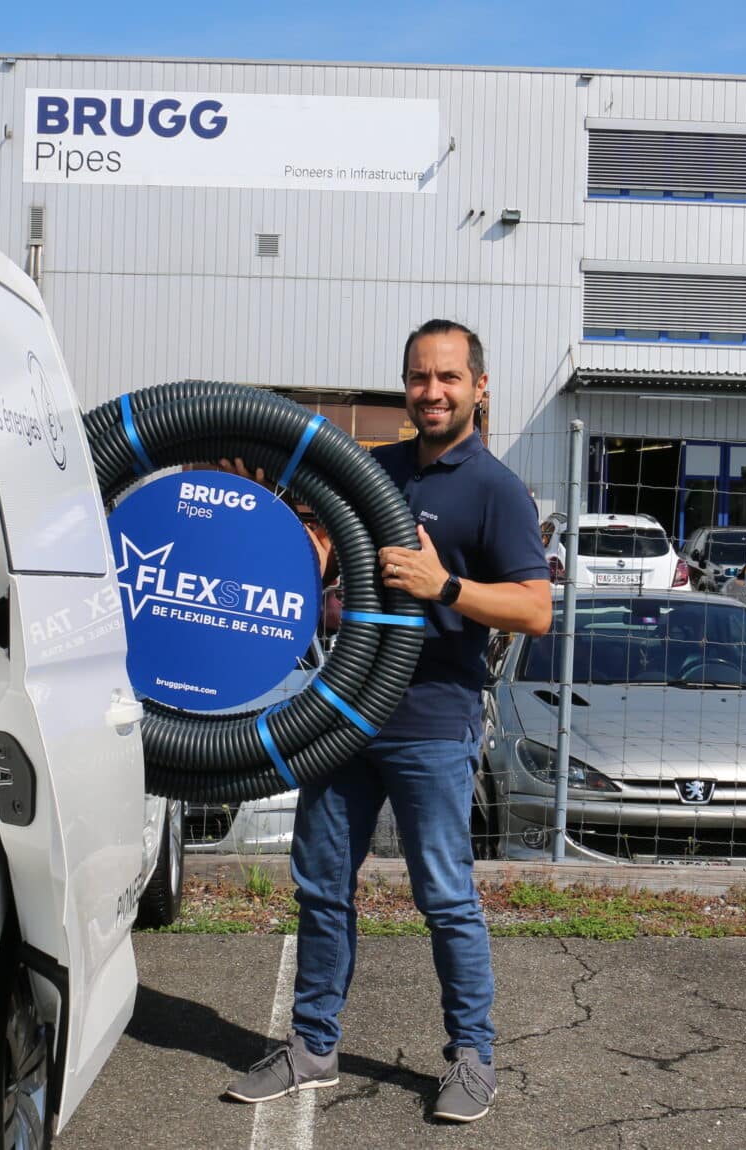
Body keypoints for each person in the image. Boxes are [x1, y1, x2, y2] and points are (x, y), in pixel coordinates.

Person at [223, 320, 552, 1123]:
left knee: (444, 896)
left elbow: (535, 609)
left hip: (433, 723)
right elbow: (328, 555)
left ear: (479, 386)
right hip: (345, 713)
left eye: (446, 378)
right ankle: (311, 1047)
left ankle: (472, 1058)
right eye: (417, 377)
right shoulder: (375, 469)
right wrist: (300, 545)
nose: (430, 392)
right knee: (320, 885)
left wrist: (446, 586)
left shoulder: (496, 490)